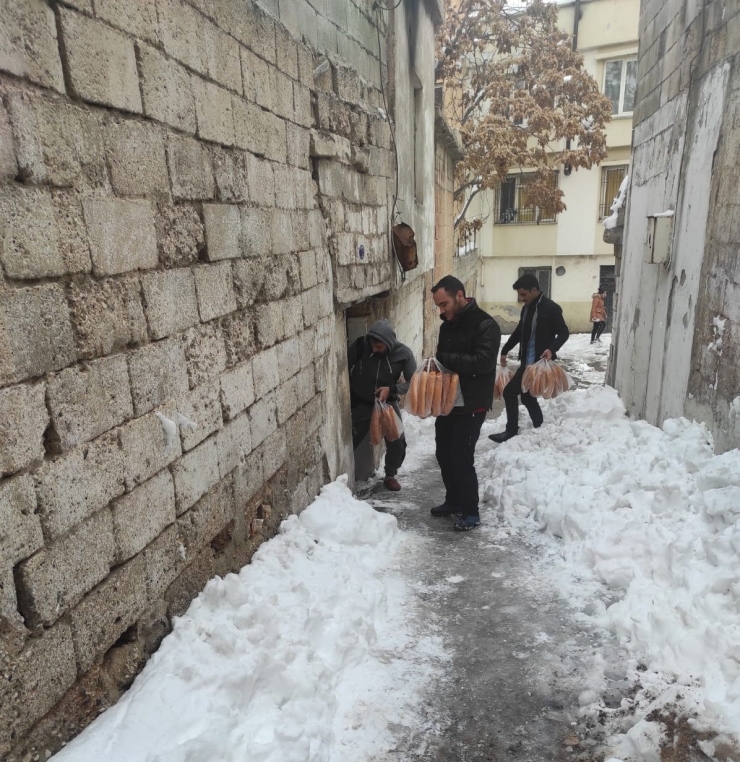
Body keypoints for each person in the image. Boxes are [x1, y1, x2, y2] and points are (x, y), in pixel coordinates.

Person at [430, 276, 500, 531]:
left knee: (461, 456)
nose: (442, 310)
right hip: (449, 402)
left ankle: (471, 511)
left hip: (472, 404)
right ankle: (453, 500)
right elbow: (442, 359)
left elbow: (484, 362)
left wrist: (446, 359)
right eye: (438, 306)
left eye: (444, 304)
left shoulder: (485, 324)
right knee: (443, 452)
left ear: (460, 295)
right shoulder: (446, 325)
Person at [489, 274, 569, 444]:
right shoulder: (526, 308)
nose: (521, 298)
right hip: (527, 361)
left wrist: (551, 349)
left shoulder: (551, 308)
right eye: (519, 294)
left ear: (535, 290)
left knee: (510, 392)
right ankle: (539, 427)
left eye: (524, 294)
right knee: (527, 396)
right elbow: (520, 331)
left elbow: (563, 332)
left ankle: (511, 431)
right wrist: (505, 349)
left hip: (539, 362)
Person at [348, 319, 416, 491]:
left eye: (379, 347)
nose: (373, 349)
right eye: (372, 345)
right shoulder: (361, 346)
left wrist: (392, 389)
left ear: (389, 344)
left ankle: (390, 474)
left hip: (387, 402)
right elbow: (345, 369)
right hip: (362, 402)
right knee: (352, 437)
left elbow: (413, 382)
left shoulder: (404, 354)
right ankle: (345, 478)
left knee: (397, 440)